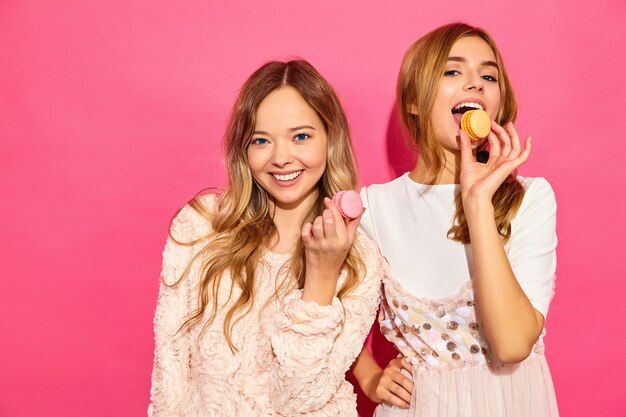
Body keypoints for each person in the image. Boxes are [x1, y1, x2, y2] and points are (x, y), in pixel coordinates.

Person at [148, 60, 384, 416]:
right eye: (261, 140)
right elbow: (170, 371)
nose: (281, 158)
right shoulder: (200, 226)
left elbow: (300, 398)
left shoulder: (359, 259)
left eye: (300, 136)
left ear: (330, 139)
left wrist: (321, 277)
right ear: (244, 149)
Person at [352, 23, 559, 416]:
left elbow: (513, 344)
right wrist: (369, 376)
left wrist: (477, 200)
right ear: (413, 100)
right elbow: (320, 307)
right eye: (453, 71)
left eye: (488, 76)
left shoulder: (531, 199)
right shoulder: (375, 208)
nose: (476, 85)